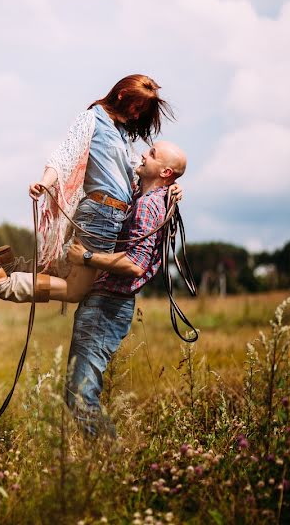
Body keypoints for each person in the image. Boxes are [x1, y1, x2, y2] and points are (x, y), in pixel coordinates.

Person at [0, 74, 173, 303]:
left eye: (142, 111)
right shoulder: (93, 119)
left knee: (63, 272)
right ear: (122, 95)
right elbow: (66, 155)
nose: (137, 114)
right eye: (137, 107)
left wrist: (170, 189)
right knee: (76, 291)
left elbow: (134, 175)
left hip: (108, 214)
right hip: (102, 214)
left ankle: (5, 262)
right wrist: (45, 181)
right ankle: (1, 283)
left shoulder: (120, 133)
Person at [60, 140, 186, 436]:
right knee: (79, 393)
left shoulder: (147, 205)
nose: (144, 154)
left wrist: (87, 257)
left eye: (152, 154)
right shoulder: (142, 195)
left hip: (108, 304)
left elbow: (135, 264)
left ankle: (112, 461)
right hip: (107, 302)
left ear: (165, 171)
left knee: (79, 397)